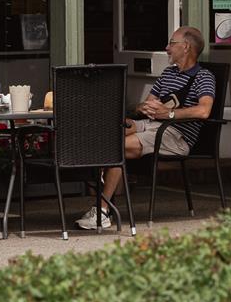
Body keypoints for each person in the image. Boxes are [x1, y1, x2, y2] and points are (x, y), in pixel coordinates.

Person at [76, 25, 216, 232]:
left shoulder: (203, 77)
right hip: (152, 125)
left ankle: (102, 211)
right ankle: (107, 184)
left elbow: (204, 111)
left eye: (171, 43)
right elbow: (146, 105)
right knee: (110, 131)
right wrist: (145, 107)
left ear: (186, 47)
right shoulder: (168, 73)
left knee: (117, 147)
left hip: (176, 135)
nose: (166, 48)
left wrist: (167, 114)